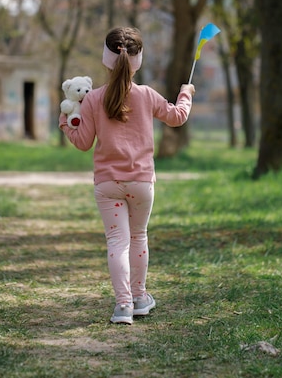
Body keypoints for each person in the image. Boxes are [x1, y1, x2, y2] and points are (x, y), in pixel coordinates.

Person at [59, 27, 195, 325]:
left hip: (108, 185)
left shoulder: (93, 99)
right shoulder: (147, 95)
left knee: (117, 242)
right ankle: (139, 297)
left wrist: (66, 122)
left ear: (107, 60)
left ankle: (122, 306)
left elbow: (83, 143)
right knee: (138, 237)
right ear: (139, 60)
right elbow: (177, 117)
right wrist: (185, 93)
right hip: (141, 184)